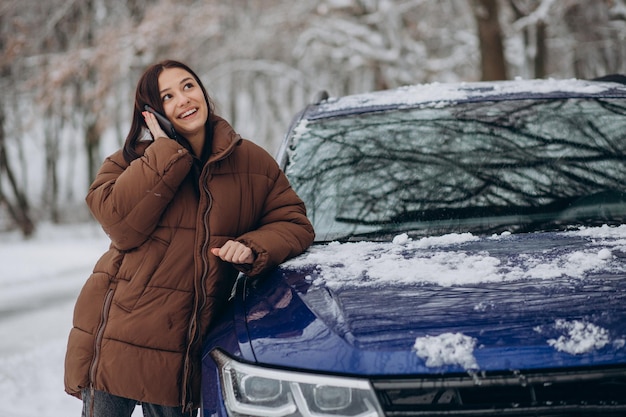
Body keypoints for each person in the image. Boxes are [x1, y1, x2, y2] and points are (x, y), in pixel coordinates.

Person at [64, 59, 315, 416]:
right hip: (113, 340)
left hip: (181, 349)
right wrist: (165, 153)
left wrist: (253, 246)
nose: (183, 99)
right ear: (151, 112)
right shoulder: (128, 162)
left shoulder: (252, 163)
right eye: (167, 96)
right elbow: (120, 226)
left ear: (202, 92)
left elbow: (295, 223)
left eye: (188, 86)